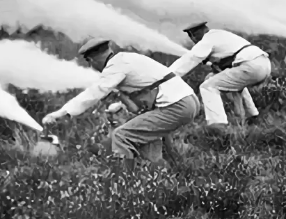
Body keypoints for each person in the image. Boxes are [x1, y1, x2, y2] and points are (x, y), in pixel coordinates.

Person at [41, 38, 200, 165]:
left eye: (89, 62)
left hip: (177, 106)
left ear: (92, 59)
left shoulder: (115, 66)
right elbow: (142, 92)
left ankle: (124, 184)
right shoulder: (127, 58)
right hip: (187, 100)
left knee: (122, 135)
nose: (91, 66)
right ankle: (170, 168)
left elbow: (94, 92)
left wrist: (63, 112)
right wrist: (122, 102)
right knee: (147, 135)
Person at [169, 22, 271, 129]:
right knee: (224, 80)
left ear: (194, 35)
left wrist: (166, 76)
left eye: (192, 35)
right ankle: (252, 115)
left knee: (208, 87)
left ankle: (218, 125)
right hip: (262, 63)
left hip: (250, 66)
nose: (192, 40)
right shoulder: (220, 34)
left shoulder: (207, 39)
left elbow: (190, 58)